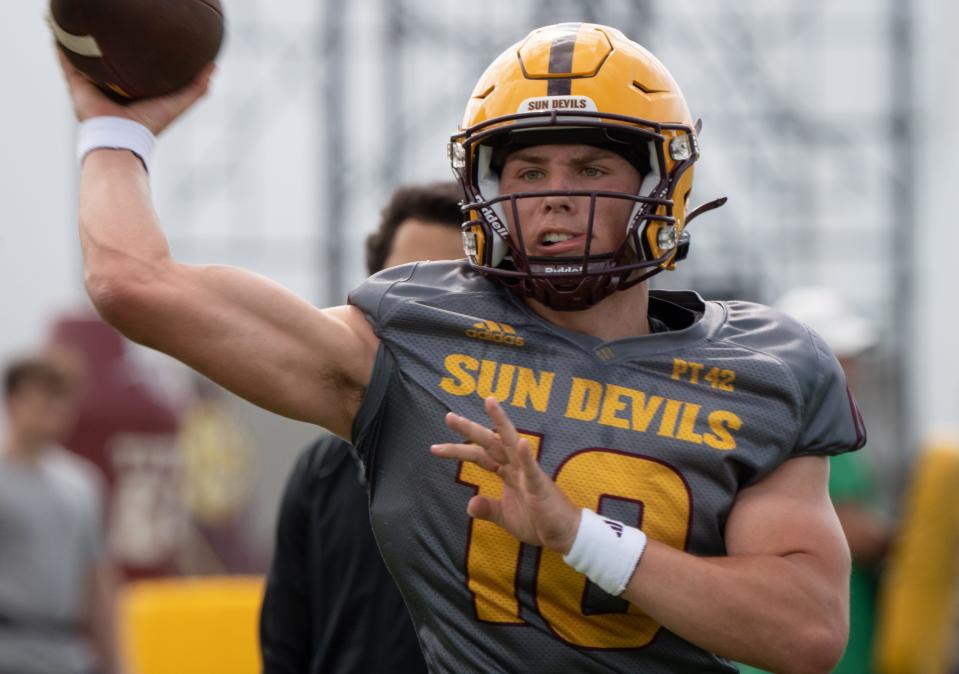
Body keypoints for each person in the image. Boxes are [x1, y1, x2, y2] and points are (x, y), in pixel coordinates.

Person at [56, 22, 863, 673]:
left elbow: (804, 633)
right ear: (486, 190)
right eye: (527, 171)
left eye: (590, 166)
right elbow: (134, 283)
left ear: (661, 185)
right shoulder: (412, 337)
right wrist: (115, 130)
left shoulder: (766, 366)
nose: (555, 199)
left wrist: (578, 535)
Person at [259, 182, 464, 673]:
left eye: (454, 288)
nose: (426, 310)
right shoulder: (322, 470)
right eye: (409, 285)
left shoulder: (528, 457)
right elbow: (285, 645)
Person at [0, 355, 118, 674]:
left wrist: (118, 663)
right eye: (44, 397)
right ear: (14, 400)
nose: (55, 410)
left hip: (67, 655)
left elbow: (97, 578)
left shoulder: (82, 484)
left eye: (62, 399)